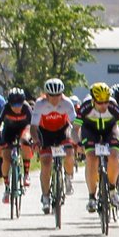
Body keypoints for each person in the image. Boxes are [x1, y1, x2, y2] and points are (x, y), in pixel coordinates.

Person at [31, 78, 77, 214]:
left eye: (58, 95)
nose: (55, 99)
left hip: (63, 131)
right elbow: (33, 127)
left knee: (69, 153)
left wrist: (77, 140)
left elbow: (75, 125)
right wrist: (36, 141)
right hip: (45, 133)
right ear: (46, 95)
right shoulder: (40, 104)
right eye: (52, 95)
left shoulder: (67, 103)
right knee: (46, 164)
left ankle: (68, 177)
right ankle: (45, 196)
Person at [75, 83, 119, 212]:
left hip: (110, 130)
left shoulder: (113, 106)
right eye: (100, 103)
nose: (104, 106)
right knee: (91, 157)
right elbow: (75, 129)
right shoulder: (85, 107)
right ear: (93, 100)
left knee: (114, 156)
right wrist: (77, 143)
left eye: (106, 102)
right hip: (90, 131)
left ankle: (112, 189)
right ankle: (91, 197)